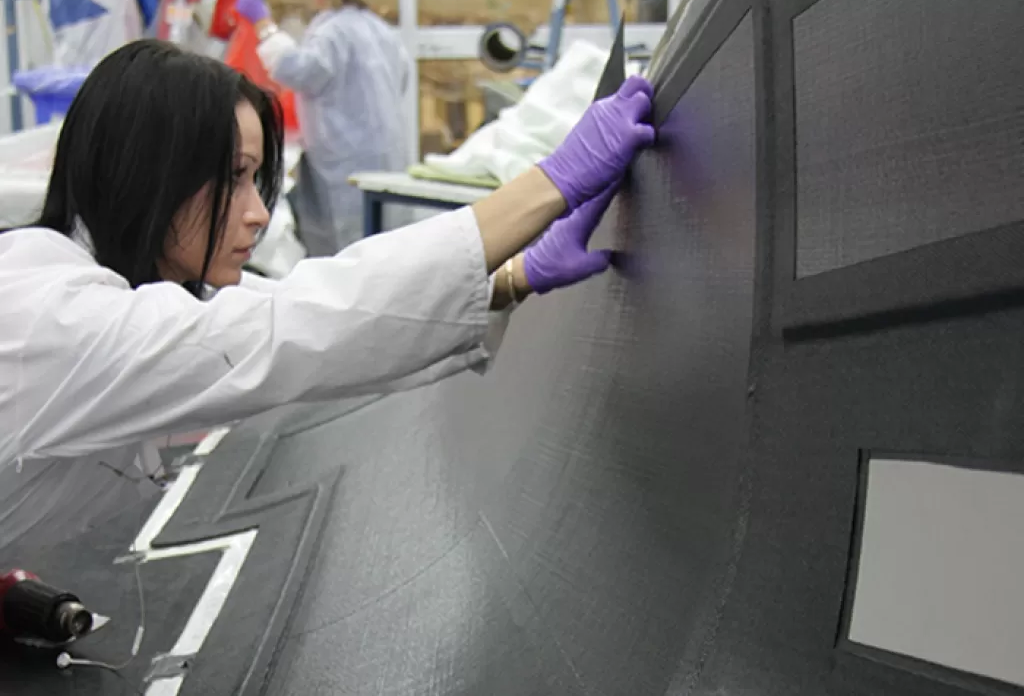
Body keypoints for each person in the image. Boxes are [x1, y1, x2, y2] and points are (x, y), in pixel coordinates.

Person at [0, 40, 655, 549]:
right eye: (235, 177)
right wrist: (547, 185)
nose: (257, 214)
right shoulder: (55, 324)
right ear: (148, 176)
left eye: (258, 180)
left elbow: (301, 333)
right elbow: (289, 330)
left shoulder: (85, 293)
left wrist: (507, 278)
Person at [234, 0, 411, 255]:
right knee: (387, 250)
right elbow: (401, 78)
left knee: (350, 255)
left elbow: (298, 70)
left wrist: (263, 23)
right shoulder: (379, 29)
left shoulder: (334, 30)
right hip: (387, 159)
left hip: (346, 165)